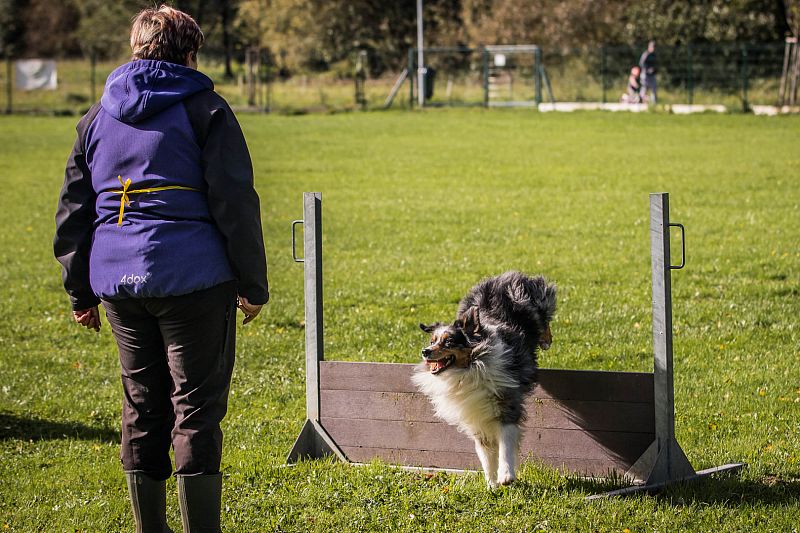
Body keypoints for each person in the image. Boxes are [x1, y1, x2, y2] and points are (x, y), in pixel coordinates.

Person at [53, 5, 268, 532]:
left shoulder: (96, 116)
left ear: (136, 48)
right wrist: (253, 283)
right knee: (194, 407)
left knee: (142, 406)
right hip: (194, 280)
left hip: (119, 286)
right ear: (190, 53)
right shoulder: (206, 109)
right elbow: (234, 200)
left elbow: (75, 209)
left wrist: (80, 290)